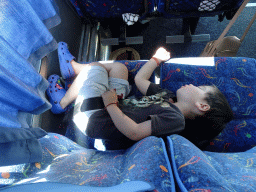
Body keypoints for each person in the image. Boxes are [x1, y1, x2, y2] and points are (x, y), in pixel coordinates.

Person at [47, 42, 233, 149]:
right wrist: (155, 60)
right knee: (119, 69)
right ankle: (73, 72)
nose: (192, 84)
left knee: (94, 69)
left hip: (95, 118)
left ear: (202, 106)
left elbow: (134, 132)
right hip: (113, 106)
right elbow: (141, 80)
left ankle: (61, 101)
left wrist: (111, 105)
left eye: (200, 88)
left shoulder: (175, 119)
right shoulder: (168, 97)